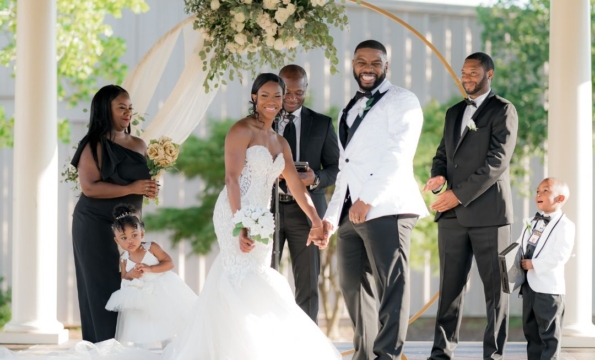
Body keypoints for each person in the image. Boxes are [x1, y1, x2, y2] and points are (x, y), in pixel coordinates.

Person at [162, 73, 342, 360]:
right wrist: (240, 223)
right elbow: (232, 179)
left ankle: (253, 347)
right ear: (254, 98)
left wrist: (316, 220)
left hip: (263, 219)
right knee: (238, 277)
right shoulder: (240, 130)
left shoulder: (280, 141)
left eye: (278, 96)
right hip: (235, 212)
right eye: (266, 95)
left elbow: (295, 185)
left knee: (255, 276)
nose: (272, 102)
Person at [322, 40, 429, 360]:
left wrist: (367, 199)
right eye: (361, 61)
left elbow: (399, 154)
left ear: (386, 66)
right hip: (350, 213)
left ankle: (387, 355)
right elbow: (345, 168)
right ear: (353, 65)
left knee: (391, 286)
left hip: (387, 207)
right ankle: (365, 354)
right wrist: (329, 218)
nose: (367, 67)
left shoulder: (402, 100)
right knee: (353, 286)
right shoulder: (347, 109)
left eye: (375, 62)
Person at [423, 52, 518, 359]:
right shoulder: (453, 112)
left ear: (489, 74)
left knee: (496, 293)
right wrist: (438, 176)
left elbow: (497, 163)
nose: (466, 78)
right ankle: (441, 353)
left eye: (473, 73)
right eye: (464, 73)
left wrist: (458, 194)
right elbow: (443, 154)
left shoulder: (504, 110)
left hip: (490, 215)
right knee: (448, 291)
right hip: (451, 218)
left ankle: (494, 355)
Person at [71, 85, 159, 343]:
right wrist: (131, 187)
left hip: (127, 228)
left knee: (128, 284)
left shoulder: (139, 144)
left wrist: (148, 188)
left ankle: (123, 347)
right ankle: (103, 349)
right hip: (95, 225)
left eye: (130, 108)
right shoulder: (93, 145)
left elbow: (136, 185)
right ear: (104, 110)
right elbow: (89, 187)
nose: (128, 112)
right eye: (121, 107)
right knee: (101, 288)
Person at [273, 64, 339, 322]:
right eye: (286, 92)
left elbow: (336, 168)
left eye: (298, 93)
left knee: (308, 284)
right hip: (268, 210)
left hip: (308, 213)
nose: (291, 98)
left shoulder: (322, 124)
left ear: (306, 90)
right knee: (264, 278)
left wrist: (316, 178)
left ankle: (306, 346)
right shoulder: (263, 122)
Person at [105, 204, 197, 347]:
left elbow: (169, 263)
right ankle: (142, 349)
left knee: (166, 321)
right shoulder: (123, 258)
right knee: (143, 325)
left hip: (162, 289)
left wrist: (150, 268)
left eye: (134, 235)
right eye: (124, 238)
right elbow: (124, 278)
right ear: (117, 240)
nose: (130, 240)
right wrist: (131, 273)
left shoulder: (151, 247)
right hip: (141, 296)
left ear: (142, 234)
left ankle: (170, 349)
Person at [519, 178, 574, 360]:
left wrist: (535, 264)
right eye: (537, 191)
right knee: (531, 333)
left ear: (560, 199)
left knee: (549, 335)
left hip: (548, 289)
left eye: (545, 191)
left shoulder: (565, 225)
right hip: (529, 286)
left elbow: (560, 255)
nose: (539, 194)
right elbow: (521, 246)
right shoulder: (533, 222)